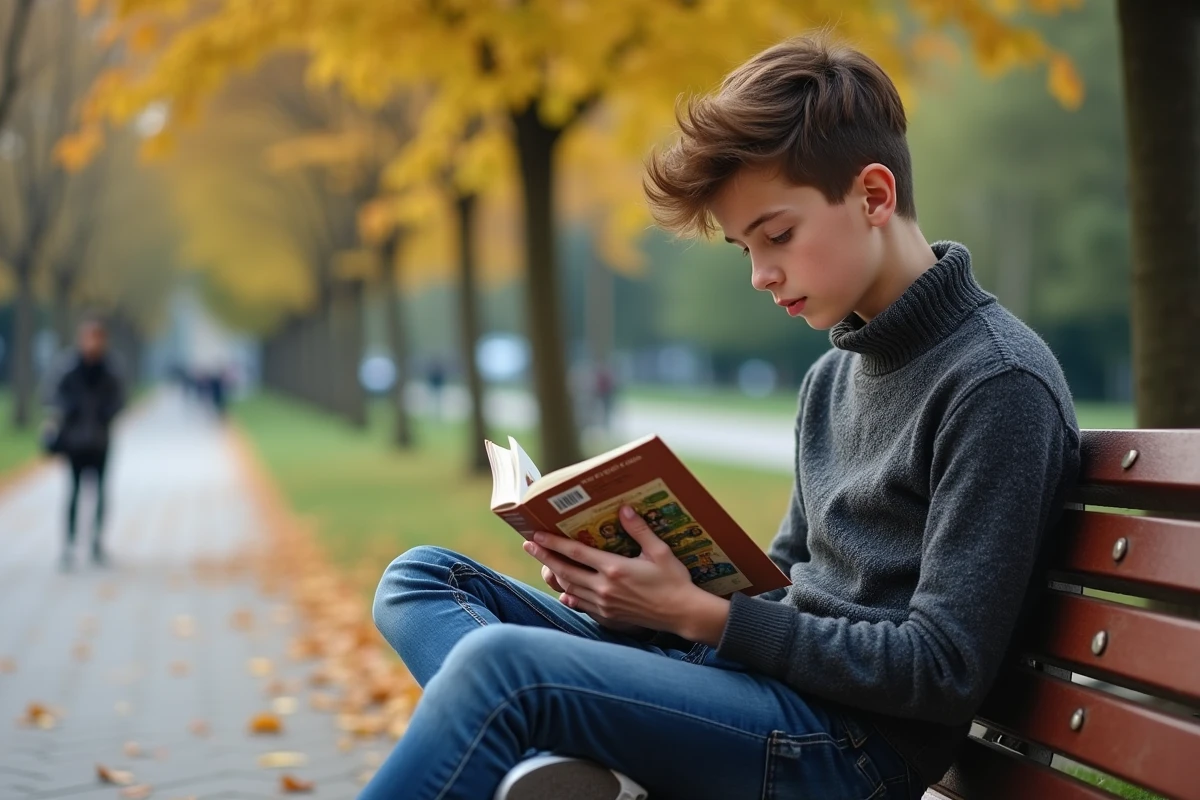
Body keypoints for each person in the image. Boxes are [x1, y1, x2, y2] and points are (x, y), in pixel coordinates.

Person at [361, 36, 1080, 800]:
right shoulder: (834, 376)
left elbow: (939, 669)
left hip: (848, 750)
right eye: (745, 248)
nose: (761, 274)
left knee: (498, 669)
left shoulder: (997, 383)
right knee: (422, 579)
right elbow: (779, 589)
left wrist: (704, 619)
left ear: (873, 196)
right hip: (753, 695)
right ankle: (551, 758)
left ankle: (551, 741)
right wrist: (643, 589)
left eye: (776, 236)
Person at [45, 318, 125, 569]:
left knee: (101, 492)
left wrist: (107, 413)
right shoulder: (68, 367)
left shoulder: (110, 368)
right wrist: (67, 410)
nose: (93, 342)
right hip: (75, 440)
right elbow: (50, 394)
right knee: (74, 491)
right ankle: (68, 545)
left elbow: (120, 398)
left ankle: (96, 542)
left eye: (97, 337)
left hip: (100, 440)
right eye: (89, 337)